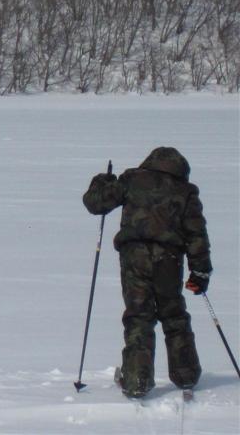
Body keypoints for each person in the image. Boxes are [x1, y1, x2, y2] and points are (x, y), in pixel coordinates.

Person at [82, 147, 212, 398]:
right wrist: (200, 272)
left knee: (139, 316)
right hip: (169, 259)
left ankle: (136, 380)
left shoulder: (132, 180)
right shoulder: (185, 191)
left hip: (134, 256)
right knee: (173, 314)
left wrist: (102, 181)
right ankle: (186, 374)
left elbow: (95, 203)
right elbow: (197, 234)